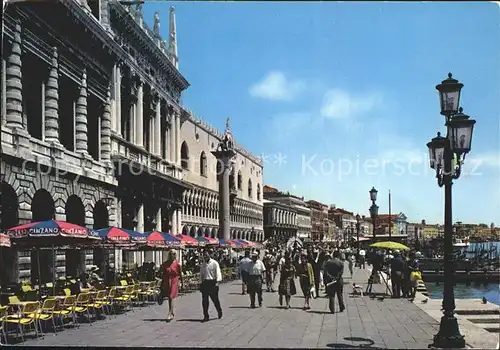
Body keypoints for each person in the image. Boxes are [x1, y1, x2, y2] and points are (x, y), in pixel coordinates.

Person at [199, 250, 223, 322]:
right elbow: (201, 275)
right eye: (204, 255)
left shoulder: (214, 263)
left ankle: (219, 310)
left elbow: (218, 273)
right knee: (205, 301)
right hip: (205, 283)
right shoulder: (203, 264)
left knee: (215, 300)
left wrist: (217, 282)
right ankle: (206, 315)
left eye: (206, 255)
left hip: (213, 283)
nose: (205, 256)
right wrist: (200, 283)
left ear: (210, 255)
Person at [161, 250, 182, 322]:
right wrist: (162, 284)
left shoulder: (177, 263)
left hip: (174, 280)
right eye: (171, 254)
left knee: (171, 296)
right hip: (167, 280)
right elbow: (163, 274)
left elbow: (180, 274)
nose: (173, 255)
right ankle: (172, 312)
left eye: (174, 254)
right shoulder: (165, 264)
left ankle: (170, 313)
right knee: (169, 297)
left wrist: (182, 283)